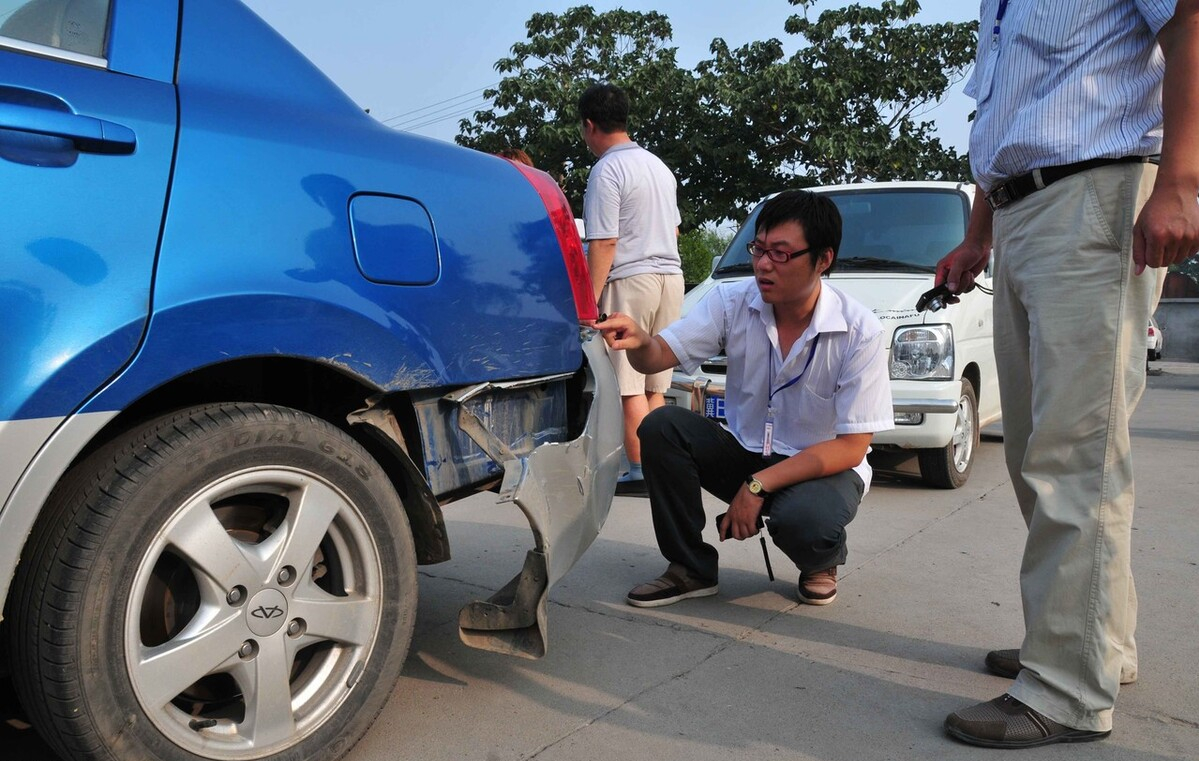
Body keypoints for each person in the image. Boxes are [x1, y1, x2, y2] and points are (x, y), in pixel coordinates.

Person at [937, 1, 1199, 749]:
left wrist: (1178, 182)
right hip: (1025, 211)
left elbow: (1187, 26)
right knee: (1032, 450)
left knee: (1074, 454)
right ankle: (1090, 643)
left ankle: (1066, 689)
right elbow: (1002, 121)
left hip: (1095, 193)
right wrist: (978, 233)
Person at [596, 190, 893, 608]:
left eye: (781, 253)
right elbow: (659, 356)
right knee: (662, 426)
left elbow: (852, 446)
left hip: (821, 468)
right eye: (759, 249)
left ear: (823, 259)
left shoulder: (859, 331)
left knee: (805, 522)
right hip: (746, 448)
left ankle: (821, 559)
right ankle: (690, 567)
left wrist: (756, 487)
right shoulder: (731, 302)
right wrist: (640, 340)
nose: (763, 264)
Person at [579, 82, 684, 485]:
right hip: (670, 278)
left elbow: (604, 241)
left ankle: (641, 469)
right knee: (656, 383)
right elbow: (673, 232)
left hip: (631, 279)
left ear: (590, 125)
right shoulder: (659, 166)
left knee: (627, 384)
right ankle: (664, 465)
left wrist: (587, 304)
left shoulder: (607, 169)